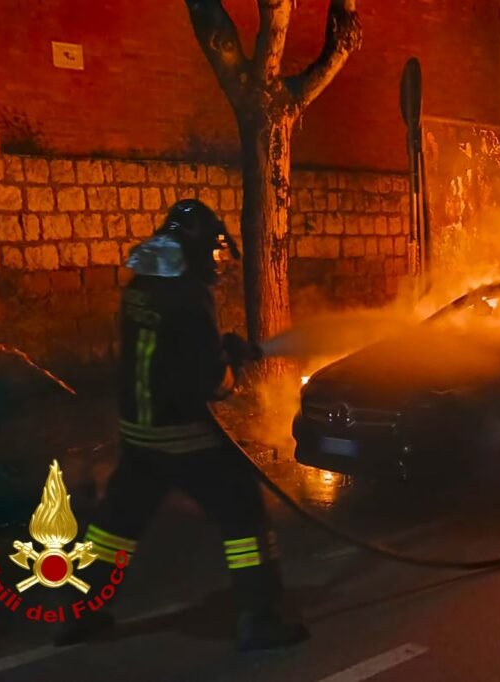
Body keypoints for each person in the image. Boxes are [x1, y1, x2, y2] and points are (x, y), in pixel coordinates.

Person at [55, 199, 309, 651]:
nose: (214, 261)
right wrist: (229, 363)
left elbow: (166, 353)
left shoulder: (141, 284)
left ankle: (82, 612)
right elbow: (211, 383)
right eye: (210, 251)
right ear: (193, 248)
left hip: (140, 434)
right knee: (245, 519)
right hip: (186, 436)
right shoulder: (191, 294)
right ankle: (259, 618)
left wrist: (217, 349)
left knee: (115, 526)